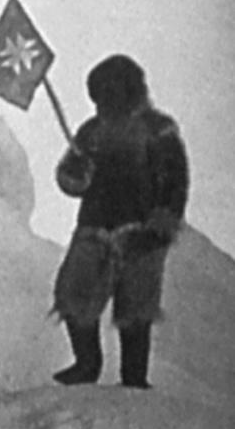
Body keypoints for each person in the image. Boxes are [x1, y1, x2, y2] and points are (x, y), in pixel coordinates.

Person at [52, 54, 188, 389]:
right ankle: (87, 362)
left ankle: (134, 376)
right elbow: (70, 175)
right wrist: (76, 174)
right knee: (74, 292)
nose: (103, 100)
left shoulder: (158, 130)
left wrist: (162, 225)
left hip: (141, 230)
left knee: (135, 307)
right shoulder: (91, 132)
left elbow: (175, 181)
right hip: (94, 227)